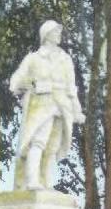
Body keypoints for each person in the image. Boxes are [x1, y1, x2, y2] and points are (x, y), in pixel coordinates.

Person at [9, 20, 85, 190]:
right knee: (38, 142)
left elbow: (71, 87)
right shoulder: (33, 58)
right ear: (47, 35)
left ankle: (45, 182)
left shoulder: (65, 59)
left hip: (61, 105)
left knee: (53, 146)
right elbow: (15, 81)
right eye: (56, 32)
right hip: (41, 104)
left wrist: (77, 110)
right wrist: (29, 85)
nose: (59, 35)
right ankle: (32, 181)